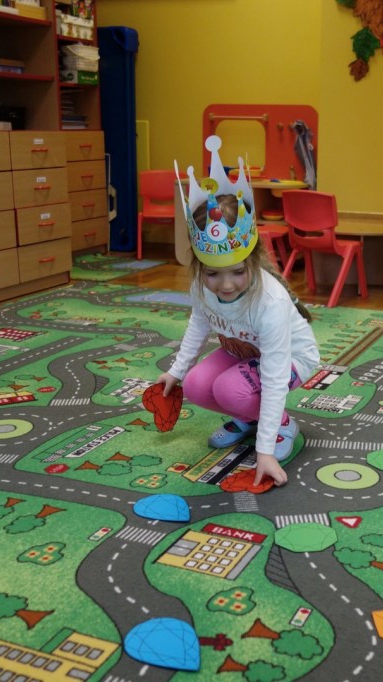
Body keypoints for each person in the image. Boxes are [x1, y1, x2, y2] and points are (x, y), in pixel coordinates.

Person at [156, 136, 320, 487]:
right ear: (199, 267)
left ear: (253, 260)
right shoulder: (201, 286)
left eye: (237, 272)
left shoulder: (270, 302)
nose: (226, 285)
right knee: (197, 386)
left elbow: (274, 376)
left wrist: (264, 451)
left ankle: (281, 425)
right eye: (213, 274)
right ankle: (248, 417)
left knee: (231, 390)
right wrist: (176, 371)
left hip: (291, 359)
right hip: (243, 352)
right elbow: (199, 323)